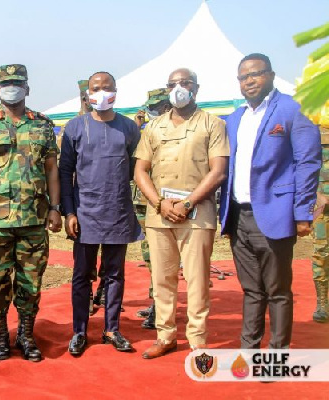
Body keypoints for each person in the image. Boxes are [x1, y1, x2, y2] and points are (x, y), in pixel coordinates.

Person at [219, 53, 321, 348]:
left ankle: (278, 352)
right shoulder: (236, 118)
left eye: (256, 74)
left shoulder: (292, 110)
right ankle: (249, 349)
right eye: (243, 77)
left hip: (275, 214)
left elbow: (308, 163)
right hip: (239, 216)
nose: (249, 81)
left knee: (277, 290)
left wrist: (303, 213)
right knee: (251, 290)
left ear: (271, 75)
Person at [0, 64, 62, 362]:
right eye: (6, 83)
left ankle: (26, 334)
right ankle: (0, 334)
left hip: (33, 220)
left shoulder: (43, 126)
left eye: (18, 83)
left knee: (30, 284)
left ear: (28, 88)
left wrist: (56, 208)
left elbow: (52, 171)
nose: (12, 87)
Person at [134, 68, 229, 359]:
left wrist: (187, 204)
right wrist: (159, 204)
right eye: (173, 84)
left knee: (197, 279)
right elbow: (140, 170)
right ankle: (166, 336)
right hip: (159, 215)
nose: (179, 88)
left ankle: (198, 339)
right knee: (162, 279)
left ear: (196, 89)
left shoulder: (212, 124)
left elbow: (219, 171)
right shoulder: (153, 127)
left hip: (197, 215)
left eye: (185, 83)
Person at [59, 71, 141, 356]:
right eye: (96, 88)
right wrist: (69, 212)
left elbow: (136, 170)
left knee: (115, 275)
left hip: (118, 211)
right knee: (82, 275)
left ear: (115, 92)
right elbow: (65, 173)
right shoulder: (74, 128)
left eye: (107, 88)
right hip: (85, 214)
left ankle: (112, 328)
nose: (101, 93)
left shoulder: (129, 128)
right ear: (87, 94)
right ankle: (80, 331)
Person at [132, 88, 172, 330]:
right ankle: (156, 302)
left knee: (164, 257)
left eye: (157, 108)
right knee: (150, 255)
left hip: (168, 202)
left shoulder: (179, 131)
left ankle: (162, 306)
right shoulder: (148, 132)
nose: (153, 113)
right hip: (144, 201)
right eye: (151, 109)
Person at [312, 125, 329, 323]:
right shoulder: (313, 127)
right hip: (322, 206)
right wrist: (316, 195)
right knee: (321, 253)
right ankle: (322, 303)